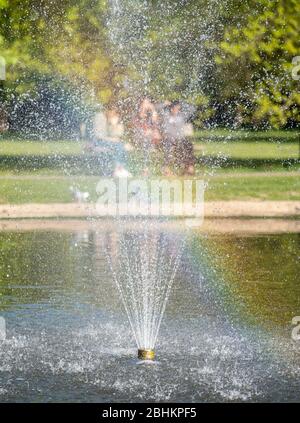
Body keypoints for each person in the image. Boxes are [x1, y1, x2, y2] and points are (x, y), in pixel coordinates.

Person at [161, 101, 195, 175]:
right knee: (168, 145)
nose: (177, 110)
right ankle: (166, 168)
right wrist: (164, 104)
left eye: (179, 109)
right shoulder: (166, 116)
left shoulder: (181, 116)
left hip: (180, 140)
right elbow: (156, 108)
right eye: (176, 108)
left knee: (188, 145)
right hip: (169, 139)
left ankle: (189, 167)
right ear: (171, 109)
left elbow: (192, 109)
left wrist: (181, 103)